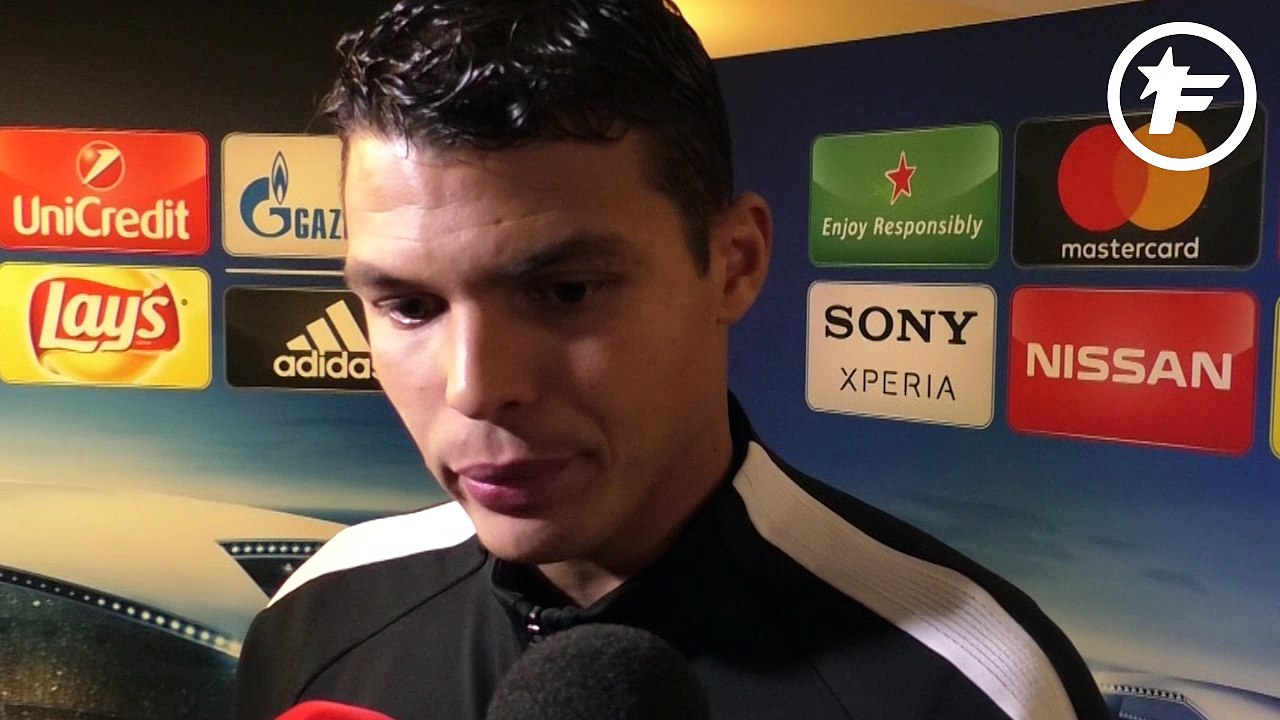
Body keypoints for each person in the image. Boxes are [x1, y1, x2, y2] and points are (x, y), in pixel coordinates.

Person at [233, 2, 1109, 719]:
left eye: (566, 291)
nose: (476, 388)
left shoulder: (973, 687)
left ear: (733, 264)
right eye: (410, 306)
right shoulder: (318, 618)